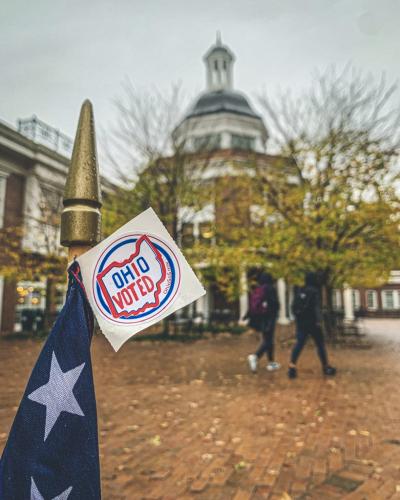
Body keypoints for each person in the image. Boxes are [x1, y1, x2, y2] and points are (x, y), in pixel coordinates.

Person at [288, 272, 336, 379]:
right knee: (320, 345)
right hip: (313, 322)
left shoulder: (300, 290)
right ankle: (325, 366)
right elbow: (316, 307)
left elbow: (293, 306)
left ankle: (292, 366)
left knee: (299, 344)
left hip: (301, 322)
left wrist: (297, 317)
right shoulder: (314, 291)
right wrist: (319, 321)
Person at [246, 272, 280, 373]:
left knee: (268, 339)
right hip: (270, 318)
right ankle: (255, 356)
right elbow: (274, 304)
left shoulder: (259, 289)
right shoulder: (270, 288)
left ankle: (271, 363)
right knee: (268, 340)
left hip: (262, 318)